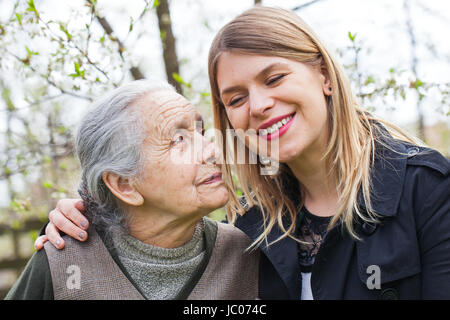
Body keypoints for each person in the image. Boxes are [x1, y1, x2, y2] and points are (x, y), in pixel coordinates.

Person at [35, 6, 449, 300]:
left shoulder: (426, 191)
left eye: (274, 78)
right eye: (235, 99)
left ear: (323, 74)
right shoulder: (251, 225)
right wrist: (86, 216)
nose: (258, 105)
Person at [6, 79, 260, 300]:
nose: (213, 150)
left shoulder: (247, 251)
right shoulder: (62, 262)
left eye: (200, 131)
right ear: (124, 185)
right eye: (179, 140)